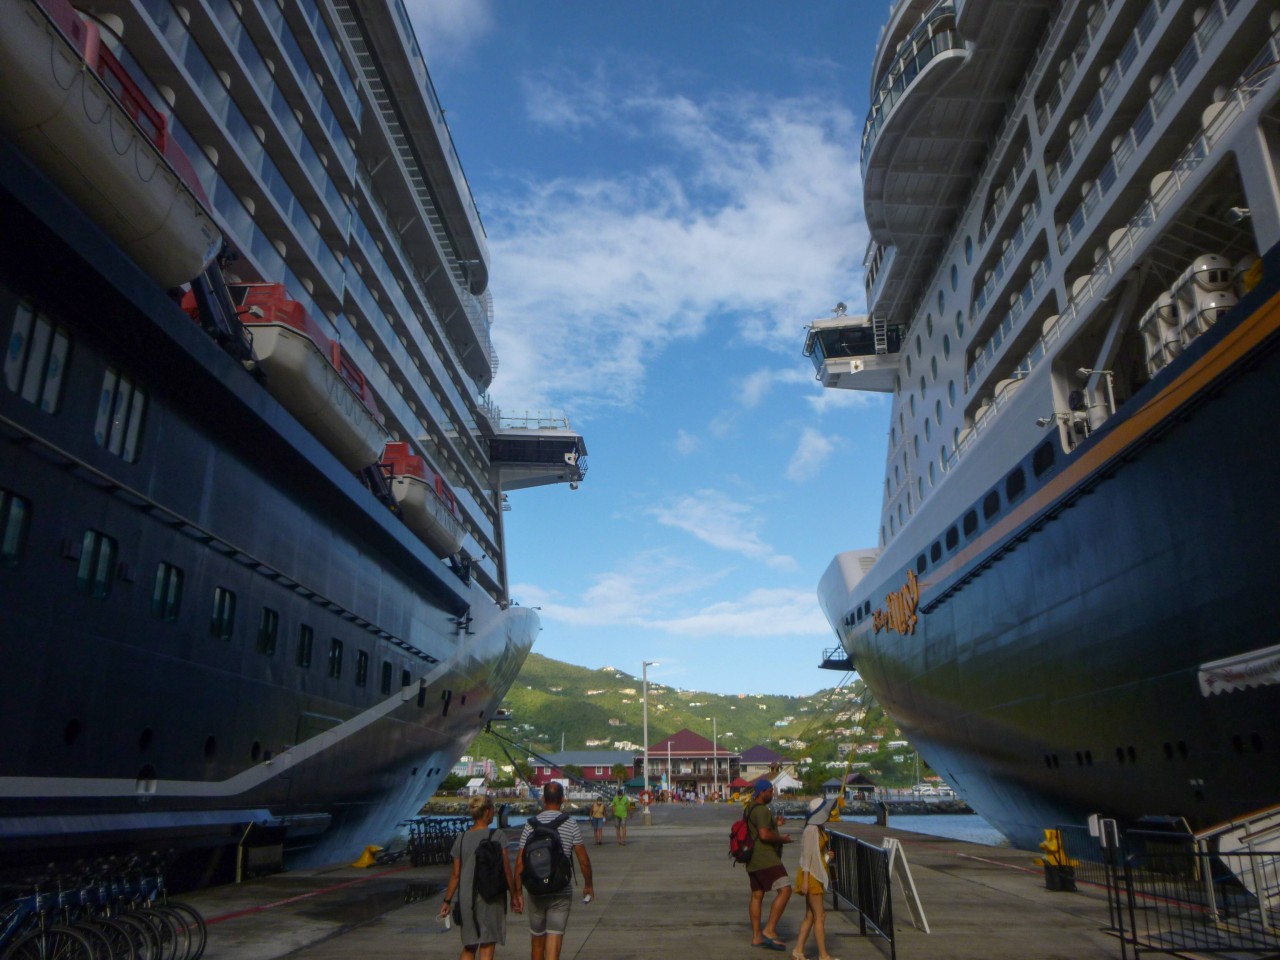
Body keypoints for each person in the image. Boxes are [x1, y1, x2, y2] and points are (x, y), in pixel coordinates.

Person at [515, 782, 594, 960]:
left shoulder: (530, 825)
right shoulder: (570, 824)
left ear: (543, 799)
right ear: (563, 799)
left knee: (537, 942)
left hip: (535, 890)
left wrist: (517, 892)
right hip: (560, 890)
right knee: (554, 938)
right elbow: (584, 861)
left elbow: (520, 863)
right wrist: (588, 885)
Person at [440, 794, 521, 960]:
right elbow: (506, 870)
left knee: (469, 946)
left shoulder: (461, 839)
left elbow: (456, 875)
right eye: (492, 810)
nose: (493, 813)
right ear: (487, 811)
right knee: (487, 943)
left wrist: (447, 901)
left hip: (467, 898)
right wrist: (514, 895)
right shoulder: (497, 836)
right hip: (490, 896)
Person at [745, 779, 793, 950]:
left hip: (752, 859)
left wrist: (776, 824)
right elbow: (764, 835)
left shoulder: (750, 808)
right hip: (766, 858)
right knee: (786, 890)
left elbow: (758, 828)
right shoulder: (762, 811)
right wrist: (782, 839)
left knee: (757, 895)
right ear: (762, 792)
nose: (772, 794)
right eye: (770, 791)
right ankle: (770, 930)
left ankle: (757, 937)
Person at [791, 797, 841, 960]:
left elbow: (815, 854)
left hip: (814, 873)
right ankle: (823, 955)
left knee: (811, 915)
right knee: (820, 916)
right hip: (811, 875)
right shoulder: (812, 830)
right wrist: (805, 880)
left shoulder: (817, 828)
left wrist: (827, 855)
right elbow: (806, 856)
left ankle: (798, 950)